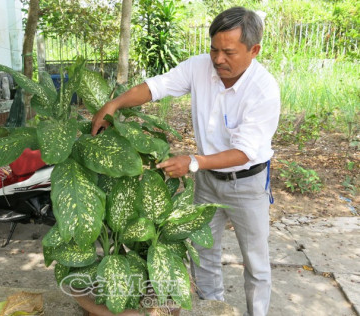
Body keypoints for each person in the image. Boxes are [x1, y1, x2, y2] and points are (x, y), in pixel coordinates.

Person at [91, 6, 280, 316]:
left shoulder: (264, 90)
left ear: (254, 50)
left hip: (247, 183)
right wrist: (115, 103)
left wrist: (193, 162)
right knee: (204, 255)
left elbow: (245, 152)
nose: (218, 59)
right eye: (214, 49)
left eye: (228, 52)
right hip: (207, 182)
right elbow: (156, 87)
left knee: (256, 262)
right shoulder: (200, 67)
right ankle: (212, 309)